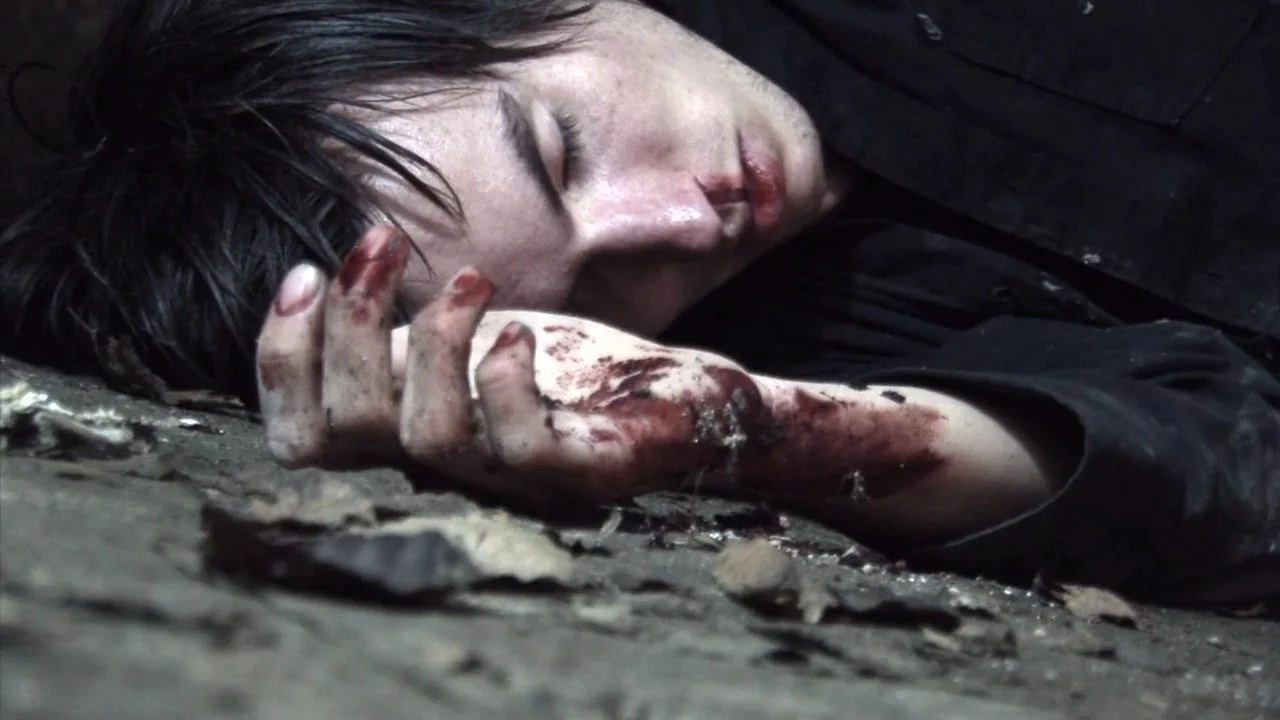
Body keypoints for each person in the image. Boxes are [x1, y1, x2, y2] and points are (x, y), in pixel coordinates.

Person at [2, 0, 1277, 606]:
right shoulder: (768, 321)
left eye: (556, 148)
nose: (678, 223)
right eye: (600, 291)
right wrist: (738, 423)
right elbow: (1218, 450)